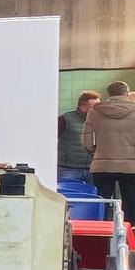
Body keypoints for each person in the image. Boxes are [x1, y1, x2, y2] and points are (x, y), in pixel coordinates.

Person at [86, 81, 135, 209]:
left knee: (102, 202)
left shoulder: (94, 112)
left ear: (108, 93)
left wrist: (95, 153)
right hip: (131, 167)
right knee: (131, 203)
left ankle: (103, 226)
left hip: (102, 165)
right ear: (126, 93)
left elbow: (87, 141)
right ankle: (130, 227)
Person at [58, 90, 101, 186]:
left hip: (92, 168)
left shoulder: (99, 121)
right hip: (68, 168)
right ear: (83, 107)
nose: (98, 110)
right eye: (94, 107)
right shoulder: (65, 119)